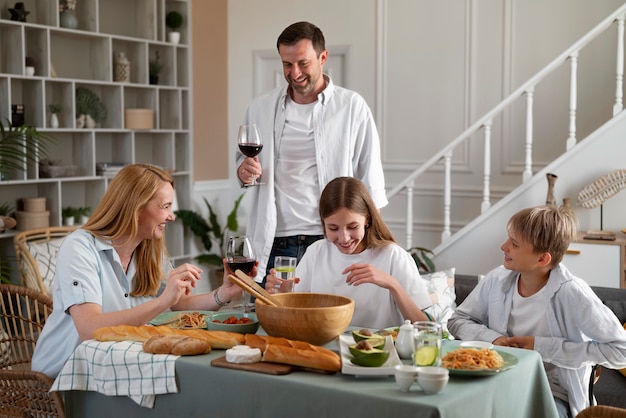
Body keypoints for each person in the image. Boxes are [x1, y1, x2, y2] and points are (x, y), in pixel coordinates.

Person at [32, 164, 250, 378]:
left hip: (120, 363)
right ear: (135, 208)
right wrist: (161, 302)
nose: (172, 216)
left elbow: (179, 304)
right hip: (66, 374)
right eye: (165, 206)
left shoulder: (149, 246)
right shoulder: (79, 248)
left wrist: (223, 293)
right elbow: (89, 329)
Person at [236, 21, 387, 287]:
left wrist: (372, 247)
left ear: (323, 57)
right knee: (270, 323)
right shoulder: (260, 107)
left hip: (331, 239)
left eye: (303, 63)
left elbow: (370, 181)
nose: (295, 73)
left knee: (329, 322)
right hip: (275, 241)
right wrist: (243, 171)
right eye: (287, 64)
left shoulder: (351, 107)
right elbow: (243, 166)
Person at [447, 205, 626, 418]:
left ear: (542, 259)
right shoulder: (497, 279)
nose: (503, 247)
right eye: (508, 239)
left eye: (514, 244)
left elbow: (621, 351)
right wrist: (493, 339)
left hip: (552, 393)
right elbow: (458, 319)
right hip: (495, 382)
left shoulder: (573, 293)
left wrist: (541, 347)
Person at [266, 177, 431, 329]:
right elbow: (293, 315)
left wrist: (393, 285)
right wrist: (281, 294)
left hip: (380, 353)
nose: (344, 238)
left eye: (353, 227)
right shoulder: (316, 252)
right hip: (326, 348)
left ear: (367, 219)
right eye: (333, 228)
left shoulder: (393, 256)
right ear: (323, 223)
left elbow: (425, 327)